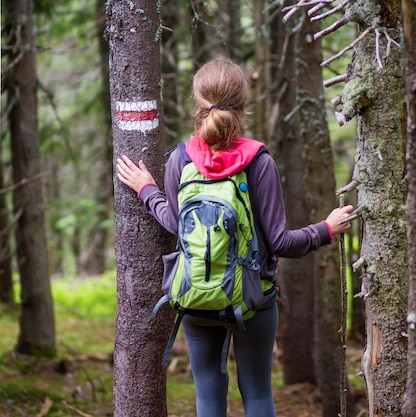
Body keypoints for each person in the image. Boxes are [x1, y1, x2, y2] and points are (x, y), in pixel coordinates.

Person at [116, 57, 353, 417]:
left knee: (208, 397)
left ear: (198, 102)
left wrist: (147, 189)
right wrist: (326, 230)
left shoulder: (182, 159)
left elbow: (179, 227)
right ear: (243, 104)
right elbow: (280, 243)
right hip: (253, 299)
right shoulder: (258, 161)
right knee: (257, 394)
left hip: (194, 297)